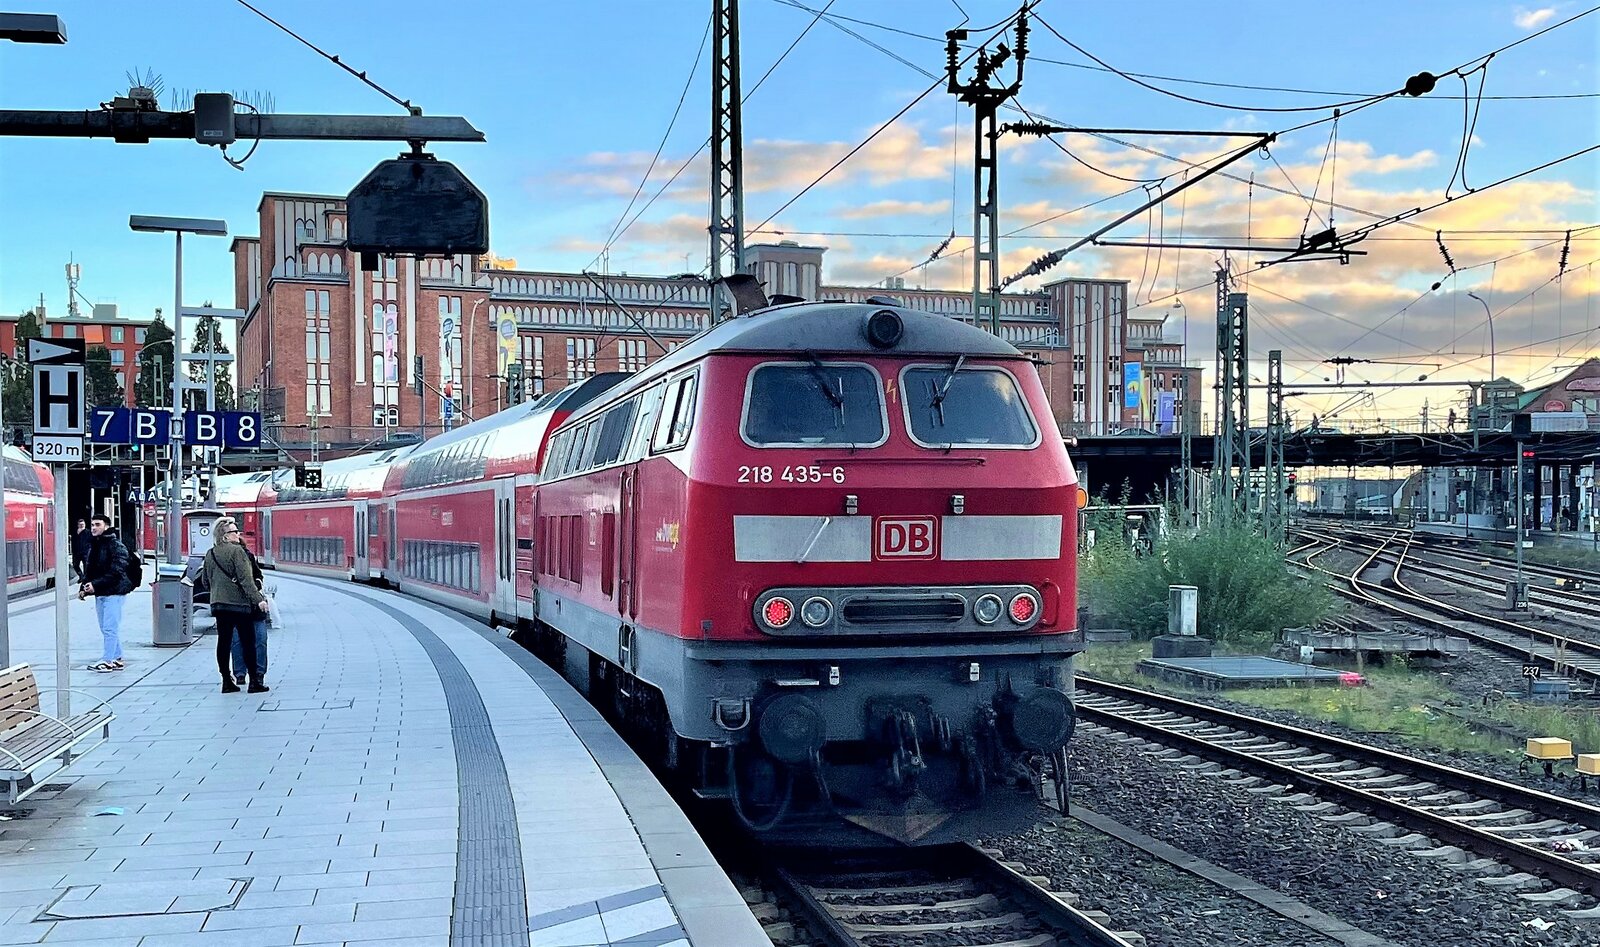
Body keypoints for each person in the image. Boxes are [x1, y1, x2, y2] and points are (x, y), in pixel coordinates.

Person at [200, 517, 269, 694]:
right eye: (234, 531)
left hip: (219, 605)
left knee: (224, 642)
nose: (238, 534)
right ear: (225, 535)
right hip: (239, 605)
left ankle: (226, 681)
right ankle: (254, 681)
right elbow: (246, 581)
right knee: (248, 642)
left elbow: (205, 582)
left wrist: (218, 590)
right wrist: (258, 600)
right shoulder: (237, 552)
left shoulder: (211, 553)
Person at [80, 515, 134, 672]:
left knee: (110, 627)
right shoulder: (95, 545)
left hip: (114, 592)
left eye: (98, 524)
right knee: (106, 627)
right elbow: (91, 569)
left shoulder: (116, 546)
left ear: (106, 526)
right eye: (92, 524)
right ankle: (117, 657)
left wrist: (94, 585)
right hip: (101, 592)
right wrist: (84, 588)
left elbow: (116, 571)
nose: (94, 527)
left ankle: (107, 660)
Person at [229, 544, 270, 686]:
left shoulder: (248, 556)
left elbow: (258, 576)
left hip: (254, 606)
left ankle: (258, 673)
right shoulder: (222, 558)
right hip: (236, 606)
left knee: (259, 639)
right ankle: (240, 673)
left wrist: (257, 583)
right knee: (238, 641)